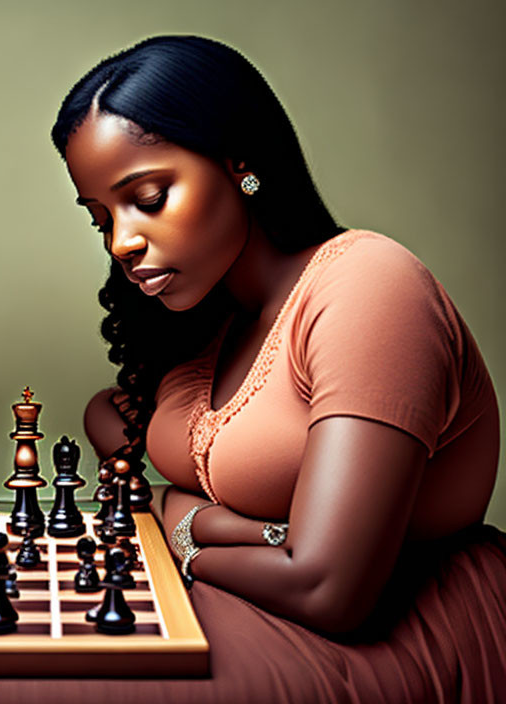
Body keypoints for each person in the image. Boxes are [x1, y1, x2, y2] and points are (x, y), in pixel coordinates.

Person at [52, 36, 505, 700]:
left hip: (400, 638)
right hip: (238, 615)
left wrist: (177, 525)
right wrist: (185, 506)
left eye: (147, 197)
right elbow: (117, 414)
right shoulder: (215, 317)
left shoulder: (368, 285)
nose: (122, 242)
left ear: (240, 164)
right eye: (100, 220)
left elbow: (329, 589)